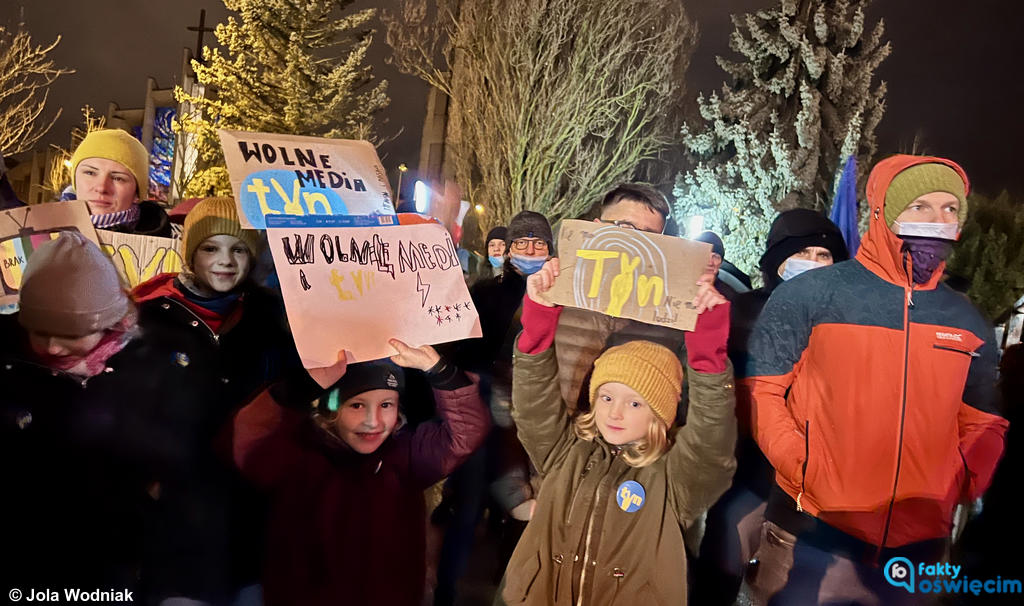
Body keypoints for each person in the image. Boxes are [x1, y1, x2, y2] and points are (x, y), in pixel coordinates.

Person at [744, 155, 1008, 604]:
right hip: (812, 531)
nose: (937, 219)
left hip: (918, 545)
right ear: (885, 212)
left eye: (949, 208)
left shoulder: (966, 317)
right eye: (920, 206)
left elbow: (984, 418)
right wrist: (804, 466)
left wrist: (959, 480)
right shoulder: (812, 294)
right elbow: (763, 390)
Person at [495, 257, 736, 605]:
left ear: (661, 415)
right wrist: (539, 320)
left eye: (635, 403)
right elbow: (534, 403)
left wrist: (708, 351)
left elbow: (712, 438)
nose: (615, 412)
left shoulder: (675, 479)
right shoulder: (566, 452)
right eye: (606, 396)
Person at [0, 232, 208, 594]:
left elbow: (182, 471)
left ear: (108, 322)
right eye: (38, 330)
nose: (51, 346)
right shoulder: (7, 364)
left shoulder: (156, 363)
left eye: (71, 333)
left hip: (120, 561)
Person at [226, 343, 490, 606]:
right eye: (356, 406)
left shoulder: (406, 456)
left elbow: (464, 435)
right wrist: (294, 391)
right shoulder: (298, 456)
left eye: (386, 404)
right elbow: (249, 445)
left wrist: (441, 372)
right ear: (332, 408)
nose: (373, 421)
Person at [131, 197, 296, 604]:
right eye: (210, 248)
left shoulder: (271, 318)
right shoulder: (150, 316)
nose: (225, 261)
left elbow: (297, 392)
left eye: (238, 249)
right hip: (177, 518)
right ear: (191, 252)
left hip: (251, 513)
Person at [693, 209, 848, 606]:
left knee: (786, 584)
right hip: (745, 468)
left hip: (805, 479)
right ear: (776, 260)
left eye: (823, 255)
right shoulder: (742, 309)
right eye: (802, 253)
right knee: (719, 572)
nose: (812, 263)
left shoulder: (848, 321)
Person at [434, 211, 553, 605]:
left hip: (536, 411)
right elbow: (458, 346)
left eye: (539, 243)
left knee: (528, 509)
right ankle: (446, 590)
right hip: (484, 407)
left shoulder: (561, 296)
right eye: (522, 243)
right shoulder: (485, 292)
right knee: (469, 503)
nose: (530, 250)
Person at [554, 183, 681, 412]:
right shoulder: (553, 290)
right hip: (554, 440)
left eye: (651, 236)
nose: (637, 243)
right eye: (626, 227)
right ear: (597, 226)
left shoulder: (668, 316)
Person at [64, 128, 172, 236]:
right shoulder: (49, 234)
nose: (101, 188)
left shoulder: (166, 248)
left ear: (136, 194)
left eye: (118, 178)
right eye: (90, 173)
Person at [693, 230, 741, 301]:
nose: (710, 262)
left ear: (721, 262)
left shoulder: (729, 296)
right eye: (705, 255)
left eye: (715, 257)